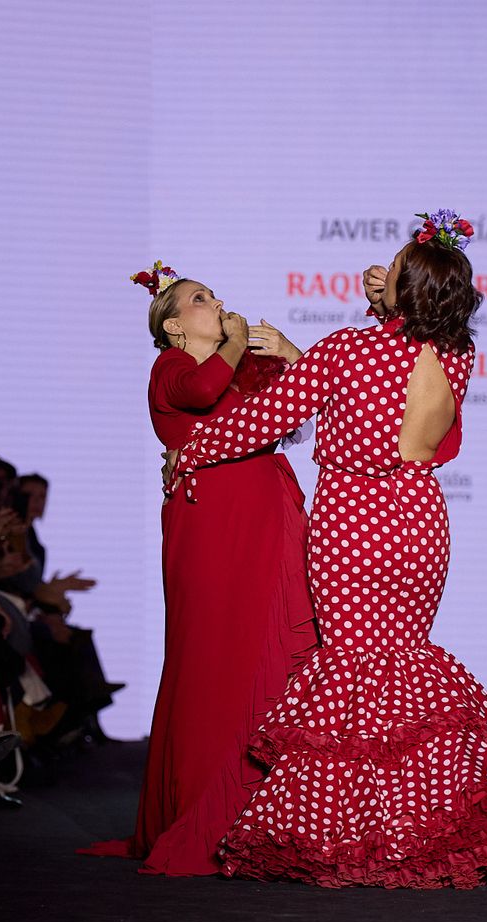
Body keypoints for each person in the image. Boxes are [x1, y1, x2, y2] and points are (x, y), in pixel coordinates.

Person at [175, 213, 487, 888]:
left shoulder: (346, 351)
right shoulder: (458, 355)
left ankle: (350, 832)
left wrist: (191, 450)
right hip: (418, 522)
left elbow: (265, 416)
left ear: (402, 292)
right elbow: (419, 385)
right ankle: (419, 825)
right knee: (403, 671)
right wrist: (392, 293)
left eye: (390, 267)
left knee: (351, 677)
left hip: (352, 523)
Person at [81, 262, 316, 875]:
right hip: (214, 528)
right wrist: (236, 345)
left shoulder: (240, 367)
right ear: (172, 327)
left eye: (214, 295)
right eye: (199, 299)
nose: (217, 303)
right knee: (215, 657)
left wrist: (283, 352)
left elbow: (300, 406)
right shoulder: (171, 369)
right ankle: (205, 809)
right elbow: (201, 394)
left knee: (270, 653)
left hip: (266, 520)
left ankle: (266, 811)